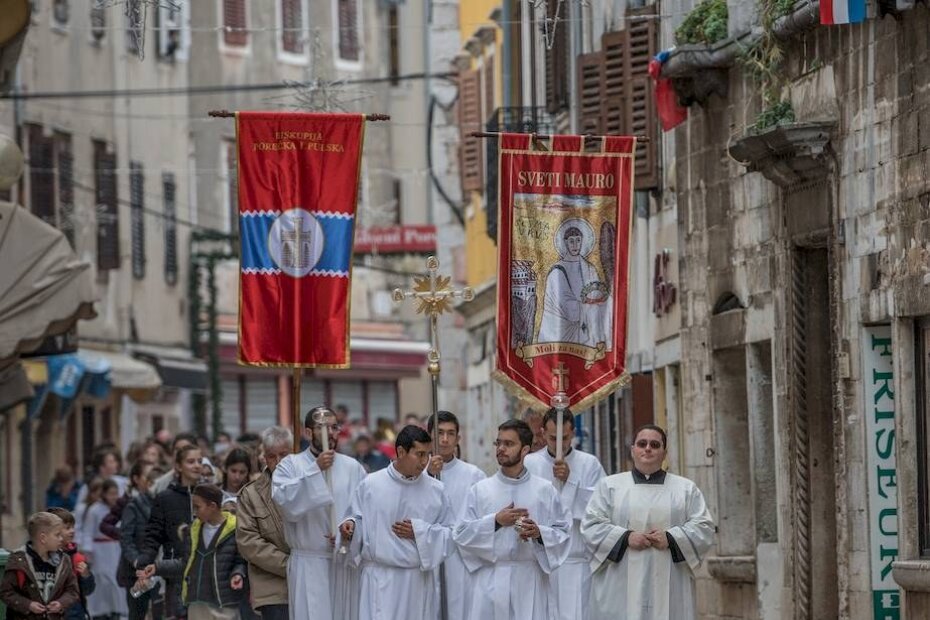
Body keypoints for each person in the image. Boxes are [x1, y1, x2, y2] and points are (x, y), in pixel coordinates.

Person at [581, 425, 716, 620]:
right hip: (619, 584)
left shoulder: (685, 489)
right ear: (632, 450)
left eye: (655, 444)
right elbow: (591, 526)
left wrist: (670, 538)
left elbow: (703, 527)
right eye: (642, 444)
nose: (648, 449)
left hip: (671, 583)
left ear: (664, 453)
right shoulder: (609, 486)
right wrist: (626, 537)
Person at [453, 419, 571, 620]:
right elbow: (461, 535)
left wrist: (539, 533)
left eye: (509, 444)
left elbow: (563, 533)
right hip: (491, 580)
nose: (501, 448)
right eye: (498, 443)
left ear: (525, 450)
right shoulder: (480, 490)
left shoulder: (544, 490)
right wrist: (495, 521)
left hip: (530, 581)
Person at [338, 425, 452, 620]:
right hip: (380, 581)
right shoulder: (371, 485)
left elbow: (450, 534)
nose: (425, 461)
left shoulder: (436, 490)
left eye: (428, 455)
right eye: (419, 454)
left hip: (417, 583)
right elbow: (357, 518)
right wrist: (351, 527)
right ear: (400, 452)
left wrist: (420, 532)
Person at [272, 407, 367, 620]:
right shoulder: (290, 466)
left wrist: (351, 532)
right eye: (322, 428)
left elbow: (365, 511)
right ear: (308, 432)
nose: (330, 433)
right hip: (309, 563)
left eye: (334, 427)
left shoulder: (353, 468)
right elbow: (286, 504)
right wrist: (315, 470)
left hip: (344, 560)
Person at [524, 408, 605, 620]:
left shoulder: (589, 464)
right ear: (542, 433)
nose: (559, 444)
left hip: (575, 560)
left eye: (565, 438)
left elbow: (602, 508)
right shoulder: (529, 464)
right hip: (539, 559)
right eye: (552, 438)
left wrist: (570, 482)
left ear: (573, 433)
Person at [137, 484, 246, 620]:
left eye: (197, 507)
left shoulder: (236, 530)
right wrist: (157, 567)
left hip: (225, 603)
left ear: (212, 506)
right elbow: (186, 563)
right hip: (197, 601)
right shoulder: (193, 531)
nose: (194, 512)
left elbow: (241, 561)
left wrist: (238, 574)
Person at [424, 411, 486, 620]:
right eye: (439, 433)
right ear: (429, 435)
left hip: (461, 558)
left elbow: (481, 519)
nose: (444, 439)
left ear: (458, 438)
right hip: (427, 558)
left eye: (451, 434)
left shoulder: (474, 475)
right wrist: (429, 475)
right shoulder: (416, 473)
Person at [138, 444, 203, 619]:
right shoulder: (166, 498)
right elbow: (153, 535)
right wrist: (144, 560)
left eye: (199, 461)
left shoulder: (209, 495)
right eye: (191, 461)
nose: (197, 465)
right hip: (176, 572)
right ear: (178, 466)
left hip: (206, 571)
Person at [237, 427, 293, 620]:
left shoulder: (312, 486)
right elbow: (248, 542)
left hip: (313, 582)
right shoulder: (250, 495)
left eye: (284, 455)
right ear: (264, 458)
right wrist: (290, 565)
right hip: (273, 589)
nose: (278, 462)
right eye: (271, 456)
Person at [537, 219, 612, 348]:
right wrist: (592, 305)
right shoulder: (557, 271)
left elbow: (599, 295)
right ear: (565, 242)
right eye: (571, 241)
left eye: (578, 240)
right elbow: (569, 309)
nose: (575, 245)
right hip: (561, 334)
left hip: (587, 333)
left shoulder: (589, 268)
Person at [0, 512, 80, 620]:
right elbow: (6, 592)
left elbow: (72, 590)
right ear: (43, 538)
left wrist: (61, 603)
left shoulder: (64, 560)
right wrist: (28, 605)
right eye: (57, 535)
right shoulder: (18, 560)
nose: (61, 539)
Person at [114, 464, 159, 620]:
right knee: (137, 613)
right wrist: (138, 561)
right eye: (151, 481)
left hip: (160, 569)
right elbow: (126, 538)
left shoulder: (165, 505)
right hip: (135, 571)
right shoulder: (133, 505)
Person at [83, 480, 125, 619]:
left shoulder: (120, 509)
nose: (114, 497)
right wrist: (88, 553)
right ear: (104, 494)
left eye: (116, 493)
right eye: (111, 494)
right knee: (103, 581)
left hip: (115, 548)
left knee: (116, 581)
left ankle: (117, 610)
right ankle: (100, 612)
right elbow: (88, 532)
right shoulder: (95, 509)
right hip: (100, 551)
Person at [46, 508, 96, 620]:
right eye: (67, 528)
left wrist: (86, 575)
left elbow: (88, 590)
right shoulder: (43, 556)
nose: (72, 531)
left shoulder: (77, 557)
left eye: (73, 527)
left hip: (75, 613)